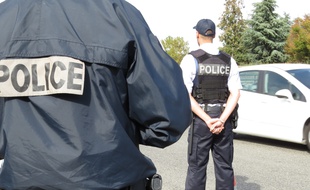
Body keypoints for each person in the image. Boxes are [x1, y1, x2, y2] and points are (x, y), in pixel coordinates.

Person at [0, 0, 192, 189]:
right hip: (111, 180)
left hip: (18, 179)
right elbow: (170, 117)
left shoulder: (5, 16)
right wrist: (118, 129)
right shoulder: (118, 14)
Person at [180, 18, 242, 190]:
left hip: (201, 121)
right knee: (225, 168)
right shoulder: (229, 60)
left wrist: (208, 120)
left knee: (196, 169)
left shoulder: (190, 59)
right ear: (213, 35)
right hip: (224, 121)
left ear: (197, 35)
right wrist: (221, 120)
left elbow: (185, 95)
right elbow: (235, 93)